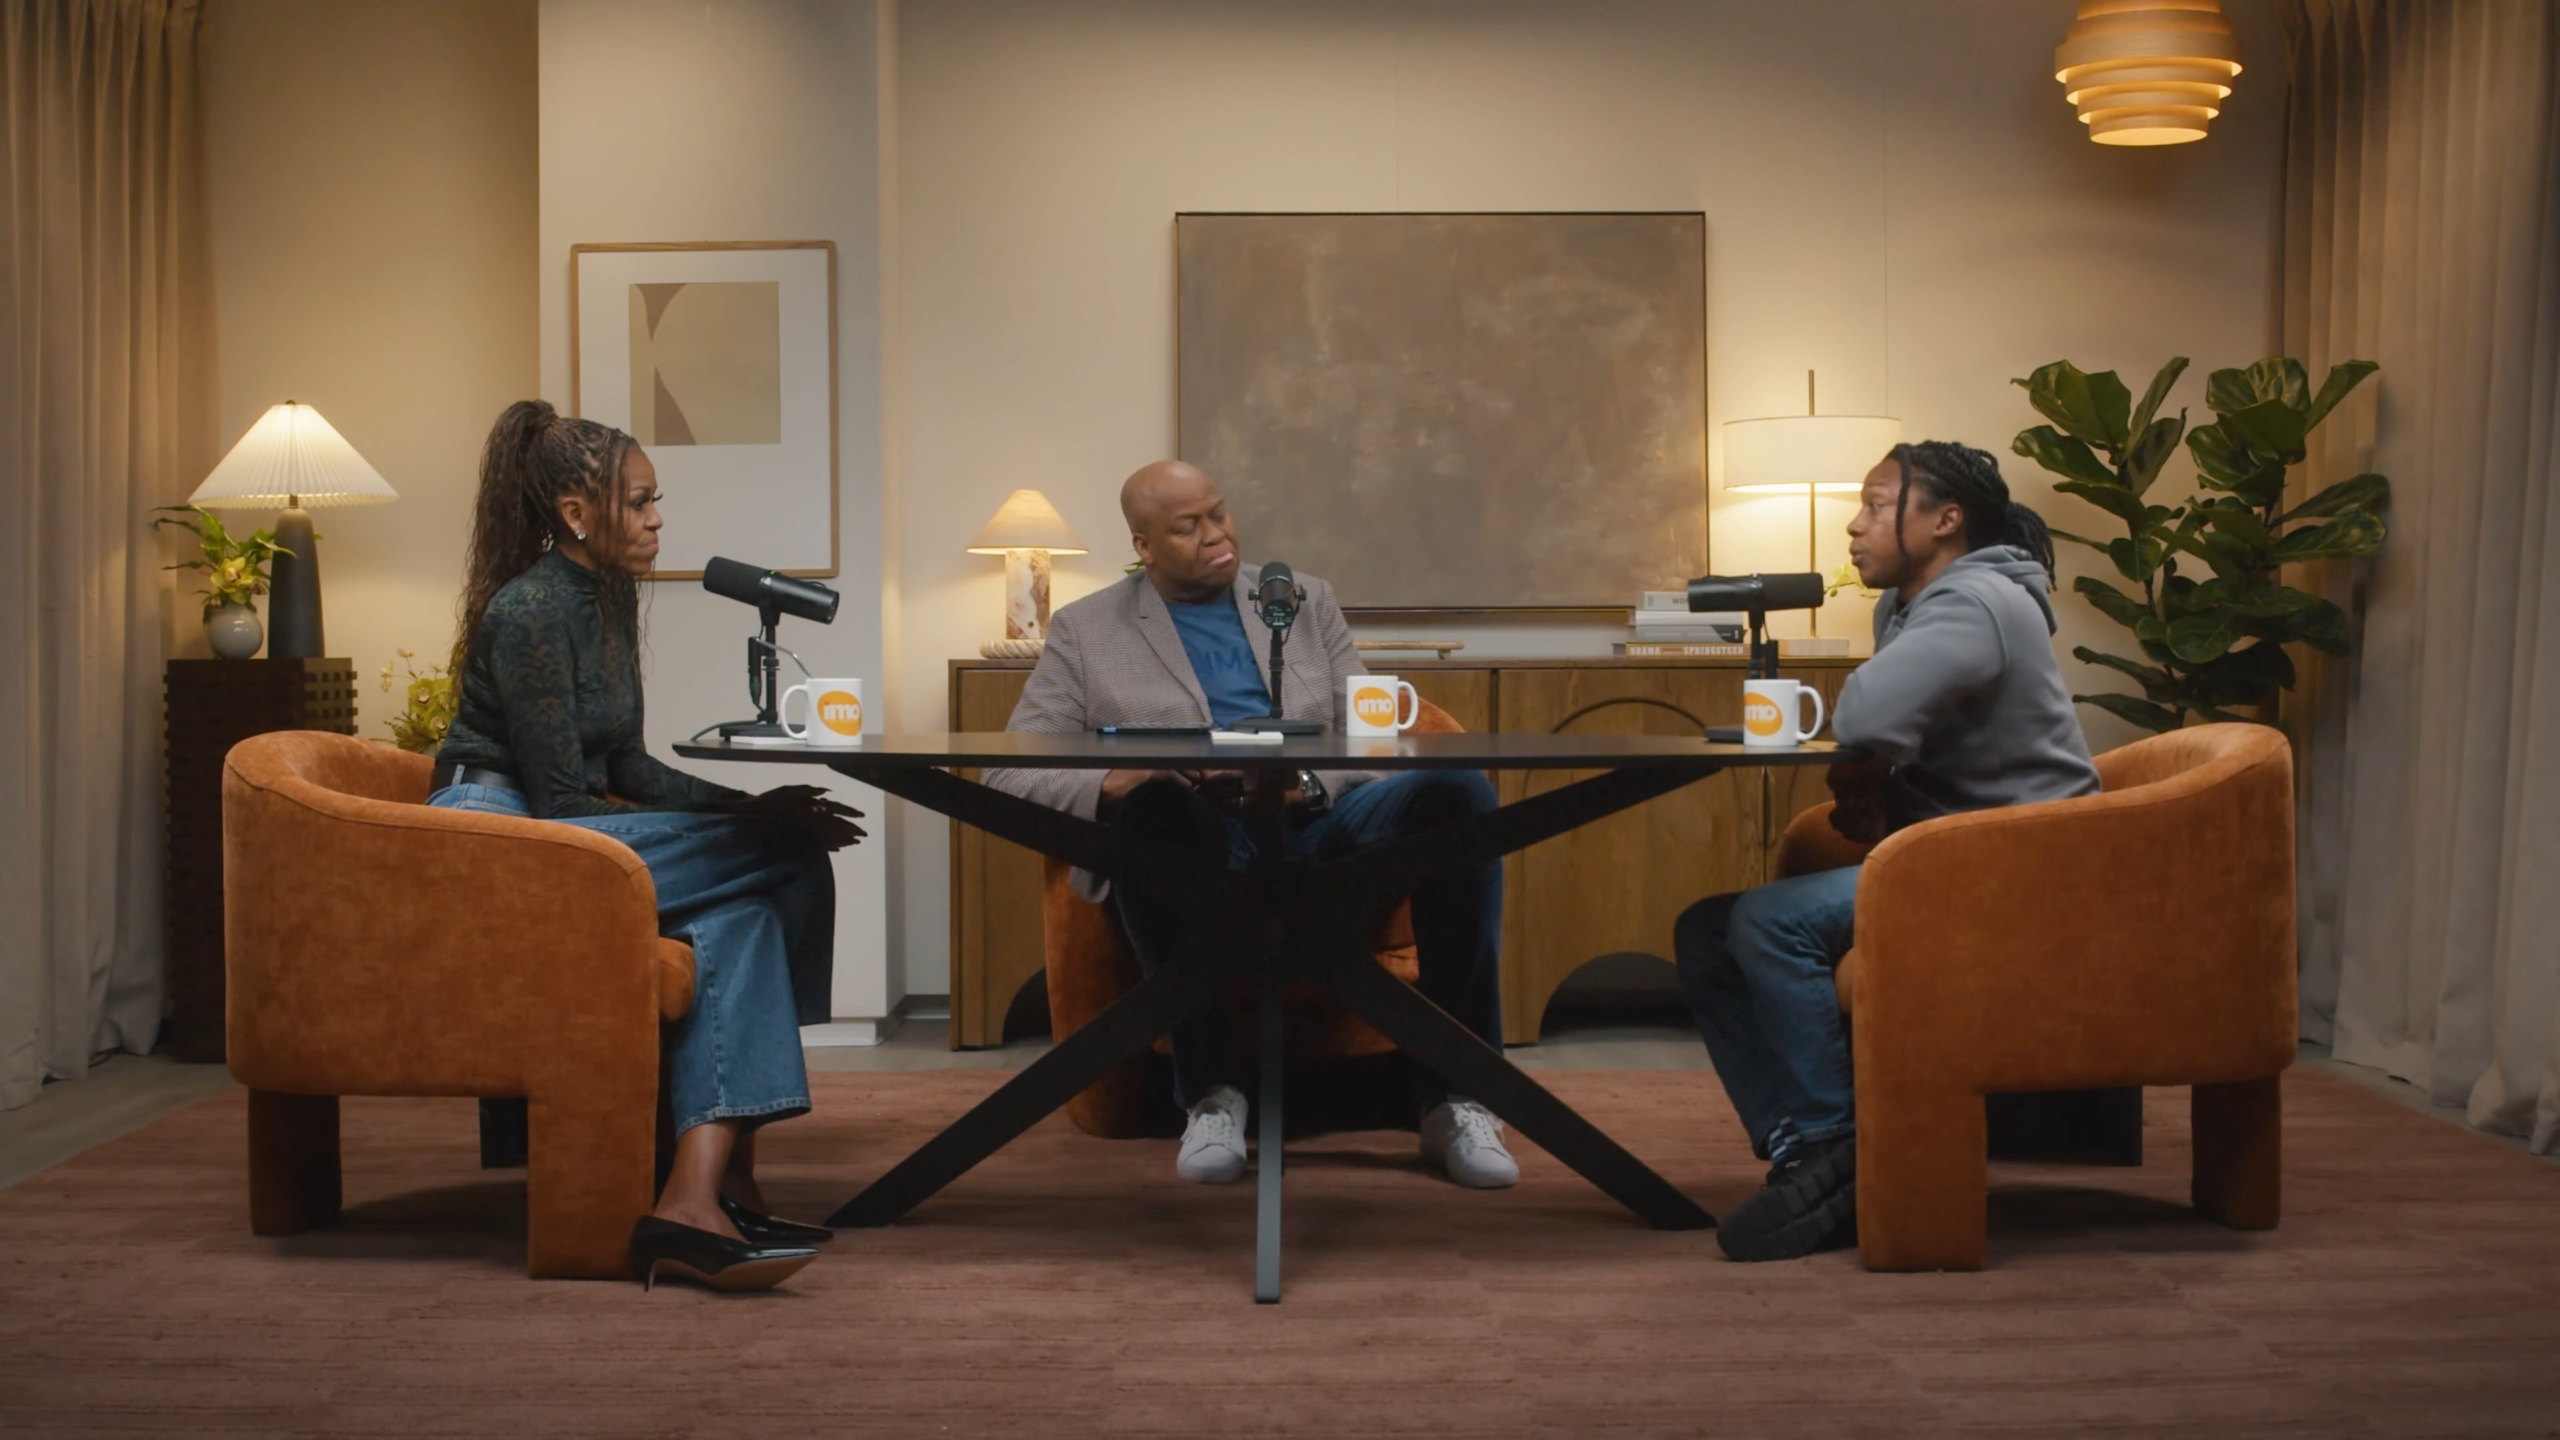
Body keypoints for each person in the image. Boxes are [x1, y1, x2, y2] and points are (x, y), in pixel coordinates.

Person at [429, 400, 865, 1293]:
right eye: (639, 502)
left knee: (745, 916)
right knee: (786, 854)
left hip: (564, 828)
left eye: (655, 500)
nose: (658, 519)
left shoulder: (608, 600)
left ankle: (698, 1195)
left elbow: (627, 763)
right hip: (503, 838)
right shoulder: (530, 610)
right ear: (575, 514)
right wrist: (760, 824)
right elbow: (561, 802)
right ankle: (722, 1182)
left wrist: (749, 804)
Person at [987, 460, 1518, 1189]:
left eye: (1219, 513)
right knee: (1151, 814)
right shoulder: (1086, 630)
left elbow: (1368, 736)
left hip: (1326, 822)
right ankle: (1212, 1097)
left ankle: (1458, 1098)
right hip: (1196, 836)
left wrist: (1307, 785)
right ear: (1144, 546)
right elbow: (1008, 770)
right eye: (1188, 526)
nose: (1217, 535)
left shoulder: (1305, 602)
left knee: (1459, 792)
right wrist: (1115, 783)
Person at [1674, 440, 2100, 1262]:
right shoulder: (1914, 607)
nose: (1854, 525)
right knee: (1708, 929)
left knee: (1769, 921)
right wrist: (1881, 786)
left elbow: (1868, 717)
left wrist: (1867, 763)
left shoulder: (1975, 601)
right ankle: (1806, 1149)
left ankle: (1844, 1152)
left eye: (1875, 505)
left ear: (1945, 521)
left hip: (2018, 869)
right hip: (1953, 857)